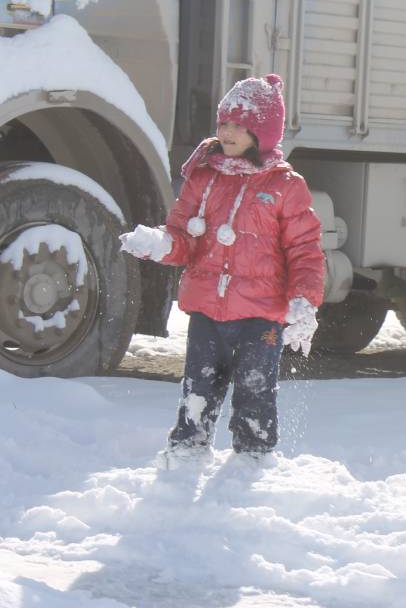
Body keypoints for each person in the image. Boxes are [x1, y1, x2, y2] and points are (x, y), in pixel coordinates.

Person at [119, 73, 324, 459]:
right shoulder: (203, 176)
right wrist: (161, 243)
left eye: (239, 125)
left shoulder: (285, 185)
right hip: (207, 311)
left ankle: (253, 458)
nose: (227, 132)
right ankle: (186, 455)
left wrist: (303, 300)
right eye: (223, 123)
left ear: (261, 132)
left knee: (255, 392)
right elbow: (184, 237)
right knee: (197, 389)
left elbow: (306, 250)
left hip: (261, 316)